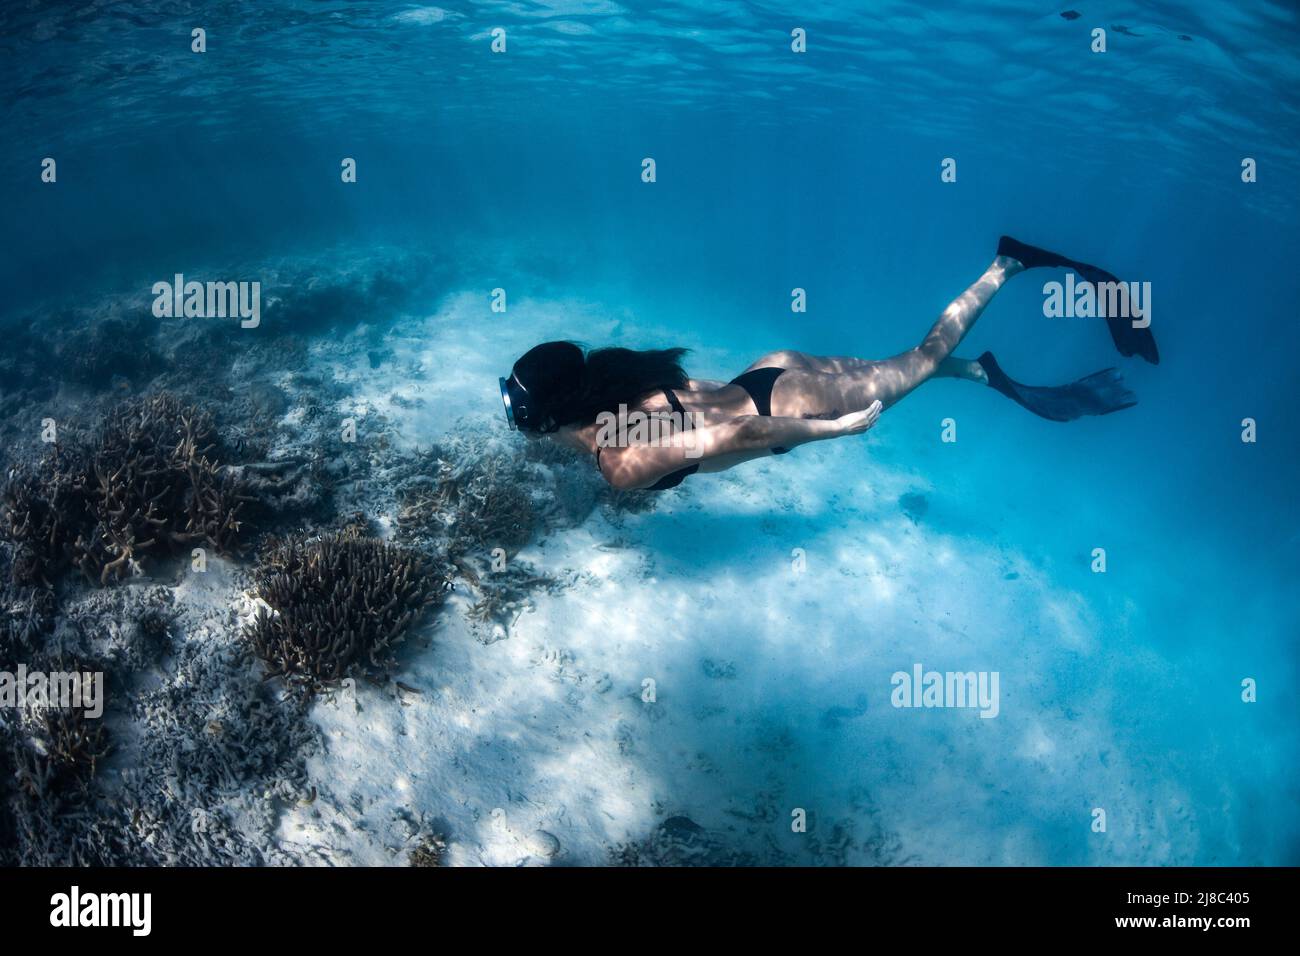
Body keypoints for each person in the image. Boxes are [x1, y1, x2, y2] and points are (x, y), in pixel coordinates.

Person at [498, 236, 1158, 491]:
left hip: (787, 409)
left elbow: (739, 436)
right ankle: (977, 372)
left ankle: (1007, 263)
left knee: (920, 357)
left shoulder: (619, 459)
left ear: (549, 417)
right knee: (916, 366)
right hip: (768, 372)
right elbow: (698, 406)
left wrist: (836, 432)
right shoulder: (615, 390)